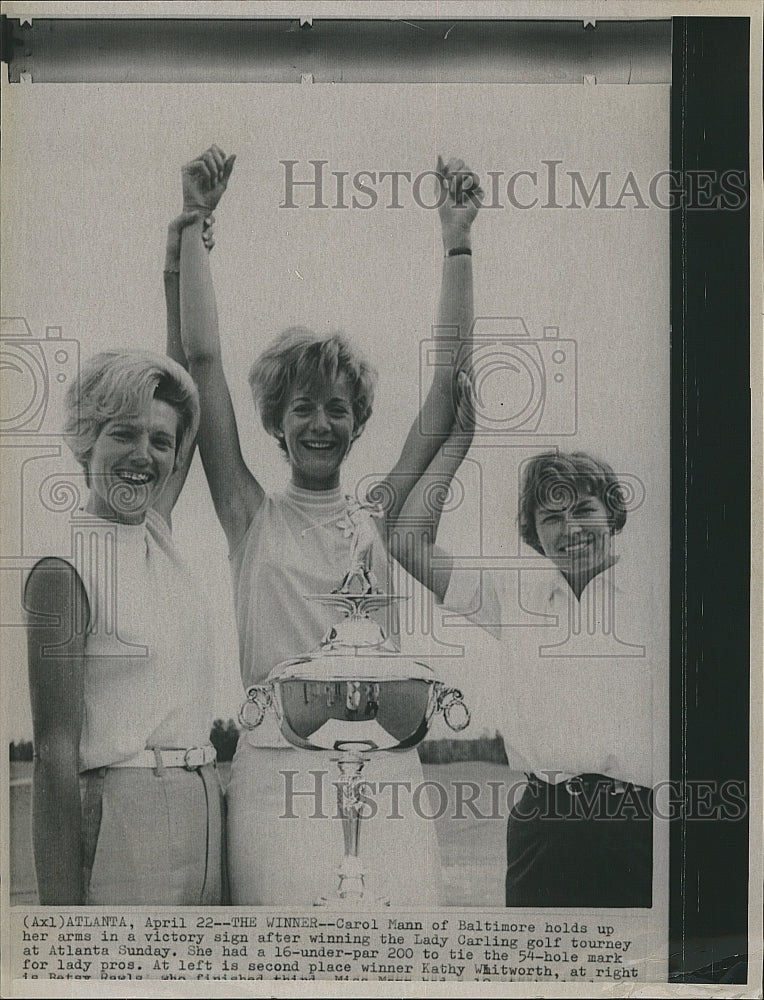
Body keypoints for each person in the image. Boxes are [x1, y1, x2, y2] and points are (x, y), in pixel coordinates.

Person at [170, 144, 482, 905]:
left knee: (404, 955)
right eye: (301, 407)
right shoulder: (247, 514)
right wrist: (194, 222)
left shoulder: (377, 515)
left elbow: (447, 386)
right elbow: (204, 364)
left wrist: (457, 241)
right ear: (275, 423)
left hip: (389, 772)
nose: (319, 422)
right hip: (275, 775)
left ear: (357, 420)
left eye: (335, 407)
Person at [398, 442, 655, 908]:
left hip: (641, 825)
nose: (570, 529)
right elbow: (407, 544)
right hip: (542, 826)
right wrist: (456, 441)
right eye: (551, 518)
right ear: (534, 532)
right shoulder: (514, 598)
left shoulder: (663, 596)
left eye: (583, 509)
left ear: (612, 512)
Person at [23, 345, 226, 906]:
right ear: (87, 440)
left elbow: (191, 368)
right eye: (123, 434)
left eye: (161, 441)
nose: (145, 455)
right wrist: (62, 925)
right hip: (124, 817)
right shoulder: (63, 566)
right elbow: (54, 754)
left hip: (208, 808)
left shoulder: (155, 532)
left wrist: (176, 267)